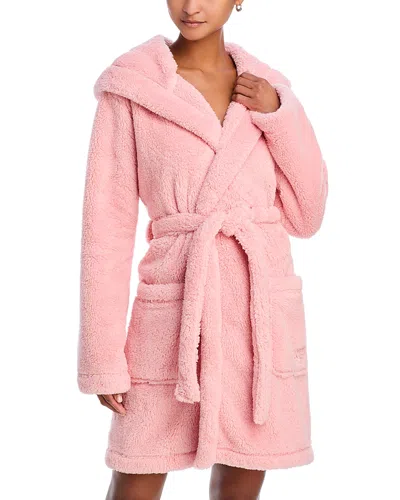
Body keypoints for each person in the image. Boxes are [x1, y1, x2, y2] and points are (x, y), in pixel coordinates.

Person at [77, 1, 329, 498]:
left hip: (256, 315)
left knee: (243, 476)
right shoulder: (132, 88)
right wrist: (102, 355)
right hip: (175, 313)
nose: (192, 7)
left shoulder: (266, 89)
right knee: (136, 475)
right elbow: (105, 231)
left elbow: (308, 214)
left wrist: (280, 116)